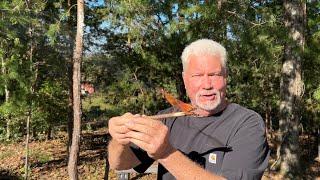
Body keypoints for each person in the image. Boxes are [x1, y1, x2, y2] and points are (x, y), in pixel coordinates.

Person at [108, 39, 270, 180]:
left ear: (225, 77)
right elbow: (120, 164)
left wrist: (166, 154)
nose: (207, 85)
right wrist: (120, 139)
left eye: (214, 75)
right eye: (198, 76)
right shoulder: (167, 118)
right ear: (185, 80)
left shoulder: (247, 123)